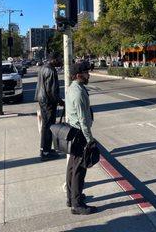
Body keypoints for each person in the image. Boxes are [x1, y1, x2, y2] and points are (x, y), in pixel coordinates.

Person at [65, 61, 97, 215]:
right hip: (80, 135)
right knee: (79, 169)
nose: (88, 74)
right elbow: (83, 120)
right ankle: (77, 204)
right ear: (78, 75)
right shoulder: (78, 93)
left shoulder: (72, 88)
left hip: (73, 132)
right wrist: (90, 139)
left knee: (72, 167)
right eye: (86, 73)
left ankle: (72, 197)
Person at [35, 52, 64, 161]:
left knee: (46, 126)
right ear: (54, 59)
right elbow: (51, 90)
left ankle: (46, 149)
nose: (61, 61)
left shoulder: (43, 68)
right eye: (60, 58)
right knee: (48, 127)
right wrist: (60, 101)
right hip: (48, 102)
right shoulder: (51, 70)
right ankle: (45, 152)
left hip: (42, 100)